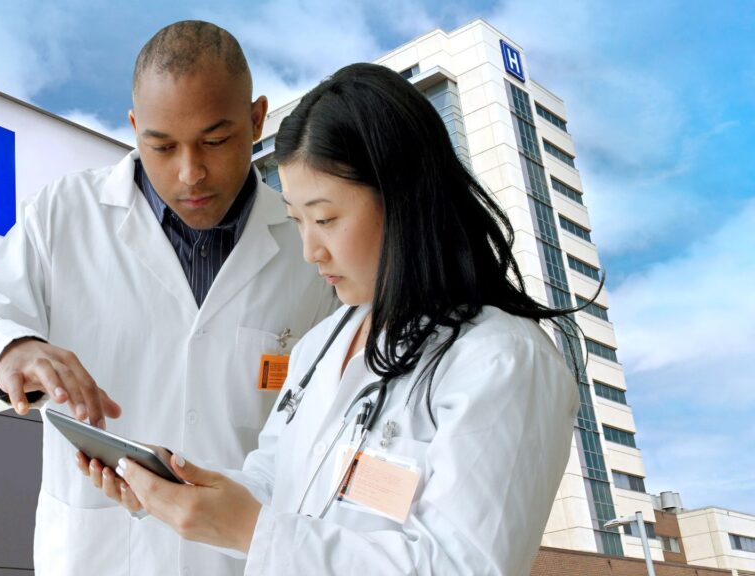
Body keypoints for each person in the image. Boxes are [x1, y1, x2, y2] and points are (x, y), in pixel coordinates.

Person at [108, 62, 583, 575]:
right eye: (296, 220)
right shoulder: (321, 345)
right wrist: (180, 489)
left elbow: (461, 566)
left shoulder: (502, 359)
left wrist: (251, 530)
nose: (310, 250)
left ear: (403, 200)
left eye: (326, 218)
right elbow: (276, 485)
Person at [0, 21, 337, 576]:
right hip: (98, 553)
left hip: (246, 560)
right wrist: (11, 351)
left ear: (257, 118)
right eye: (161, 146)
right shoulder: (64, 215)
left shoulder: (309, 246)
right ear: (134, 127)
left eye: (215, 141)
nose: (190, 173)